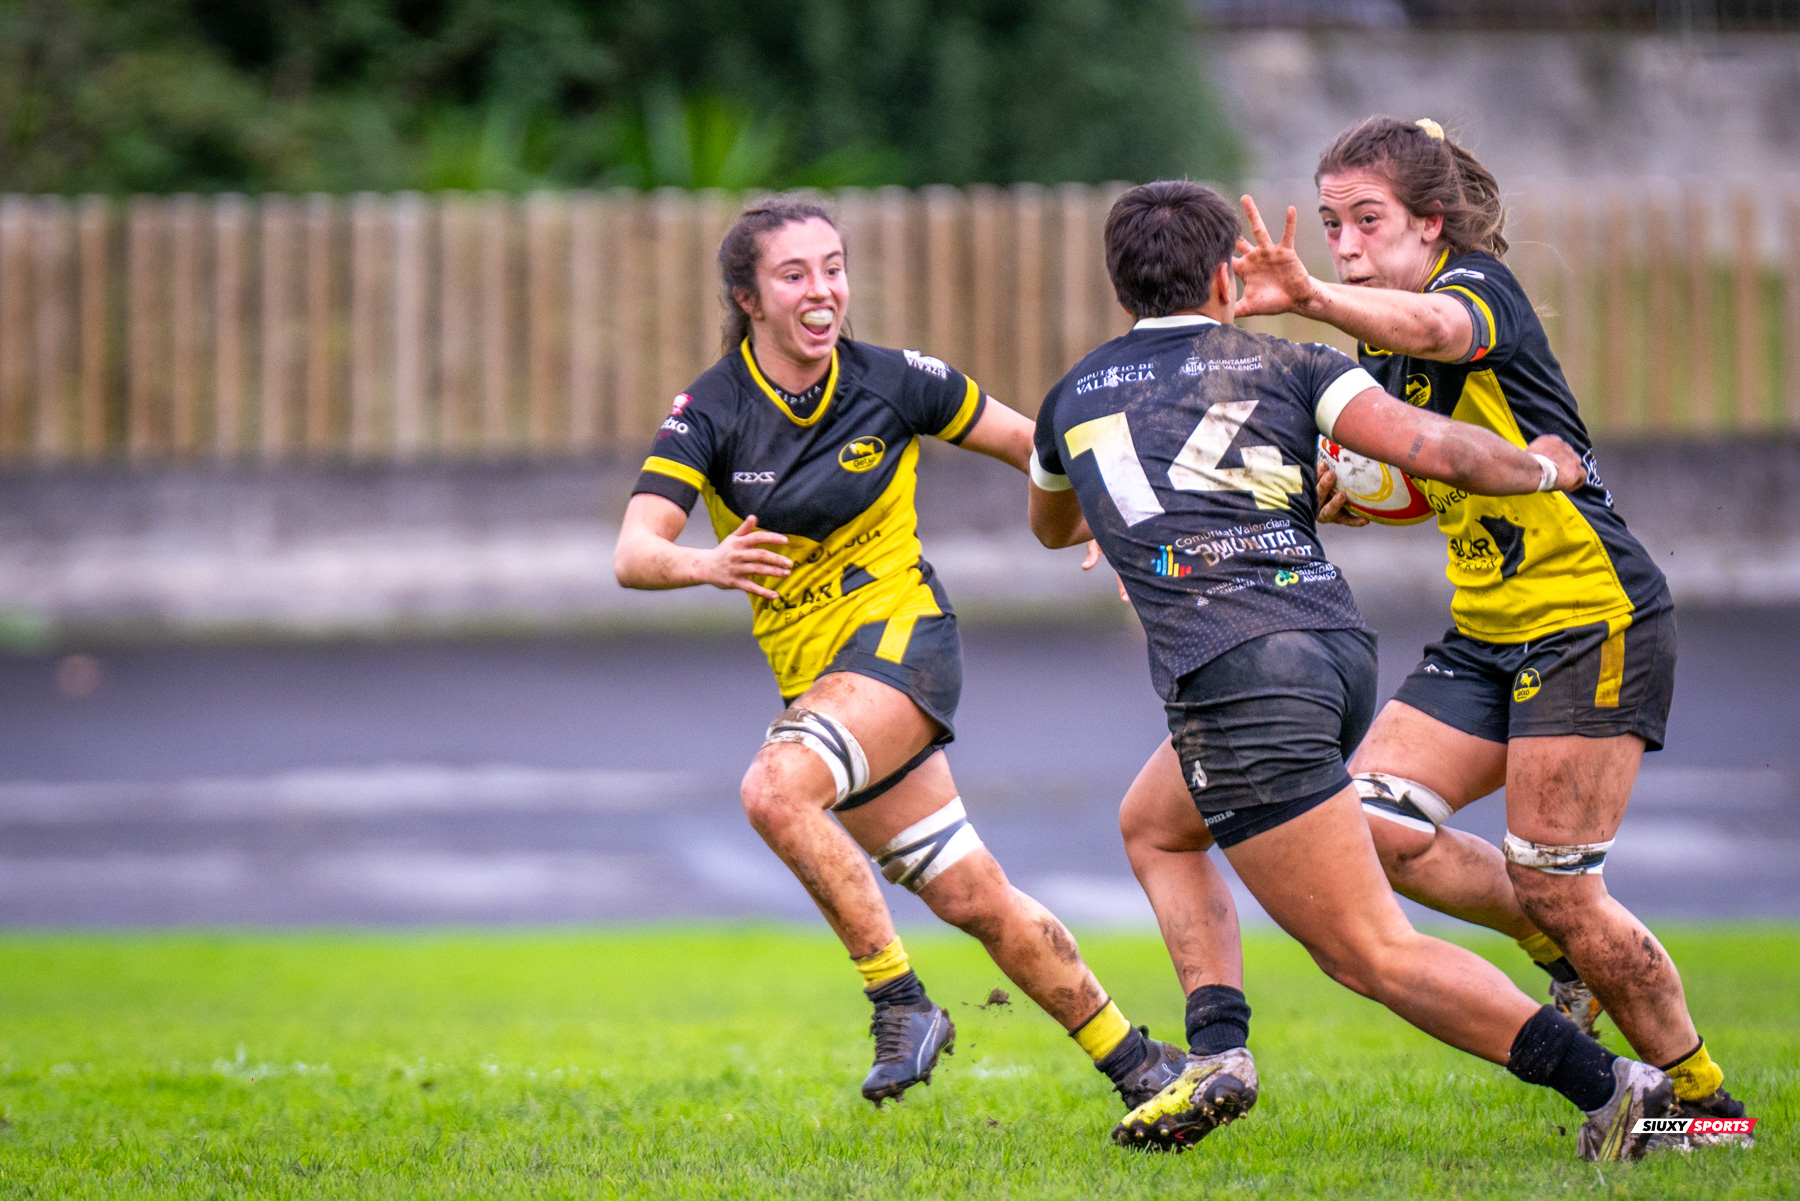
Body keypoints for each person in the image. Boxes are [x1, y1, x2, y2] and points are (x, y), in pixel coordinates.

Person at [1029, 179, 1675, 1161]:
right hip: (1332, 652)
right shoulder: (1296, 361)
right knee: (1157, 825)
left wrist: (1134, 527)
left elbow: (1054, 522)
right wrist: (1543, 466)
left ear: (1120, 286)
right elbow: (1432, 449)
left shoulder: (1070, 397)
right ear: (1223, 276)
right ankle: (1219, 1052)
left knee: (1369, 952)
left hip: (1234, 676)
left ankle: (1618, 1090)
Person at [1227, 115, 1749, 1145]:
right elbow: (1418, 481)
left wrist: (1315, 301)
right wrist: (1322, 493)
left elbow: (1440, 337)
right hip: (1487, 632)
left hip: (1589, 616)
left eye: (1366, 221)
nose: (1346, 244)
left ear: (1432, 225)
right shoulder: (1382, 335)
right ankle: (1558, 956)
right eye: (1332, 225)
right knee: (1362, 824)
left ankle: (1706, 1107)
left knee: (1561, 883)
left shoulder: (1474, 292)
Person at [613, 196, 1201, 1110]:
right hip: (824, 683)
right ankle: (1140, 1064)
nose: (823, 290)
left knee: (775, 788)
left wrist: (1112, 523)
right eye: (795, 273)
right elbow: (633, 553)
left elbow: (1036, 444)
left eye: (835, 267)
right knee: (975, 897)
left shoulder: (895, 378)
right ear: (749, 297)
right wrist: (709, 561)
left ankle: (901, 1002)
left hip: (900, 639)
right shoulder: (714, 407)